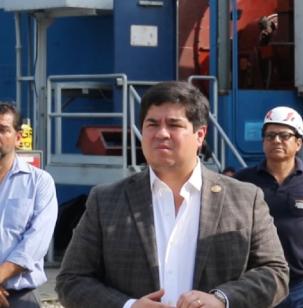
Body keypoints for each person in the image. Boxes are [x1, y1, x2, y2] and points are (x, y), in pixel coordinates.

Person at [56, 81, 289, 308]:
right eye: (152, 124)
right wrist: (128, 306)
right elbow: (72, 281)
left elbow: (275, 273)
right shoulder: (105, 200)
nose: (162, 133)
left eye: (174, 125)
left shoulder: (245, 199)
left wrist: (222, 299)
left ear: (200, 135)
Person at [235, 106, 303, 308]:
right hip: (259, 283)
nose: (276, 141)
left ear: (298, 143)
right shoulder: (243, 180)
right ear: (263, 141)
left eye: (284, 136)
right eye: (270, 136)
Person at [0, 102, 58, 308]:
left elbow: (36, 242)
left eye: (3, 129)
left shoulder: (39, 182)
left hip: (19, 297)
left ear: (17, 137)